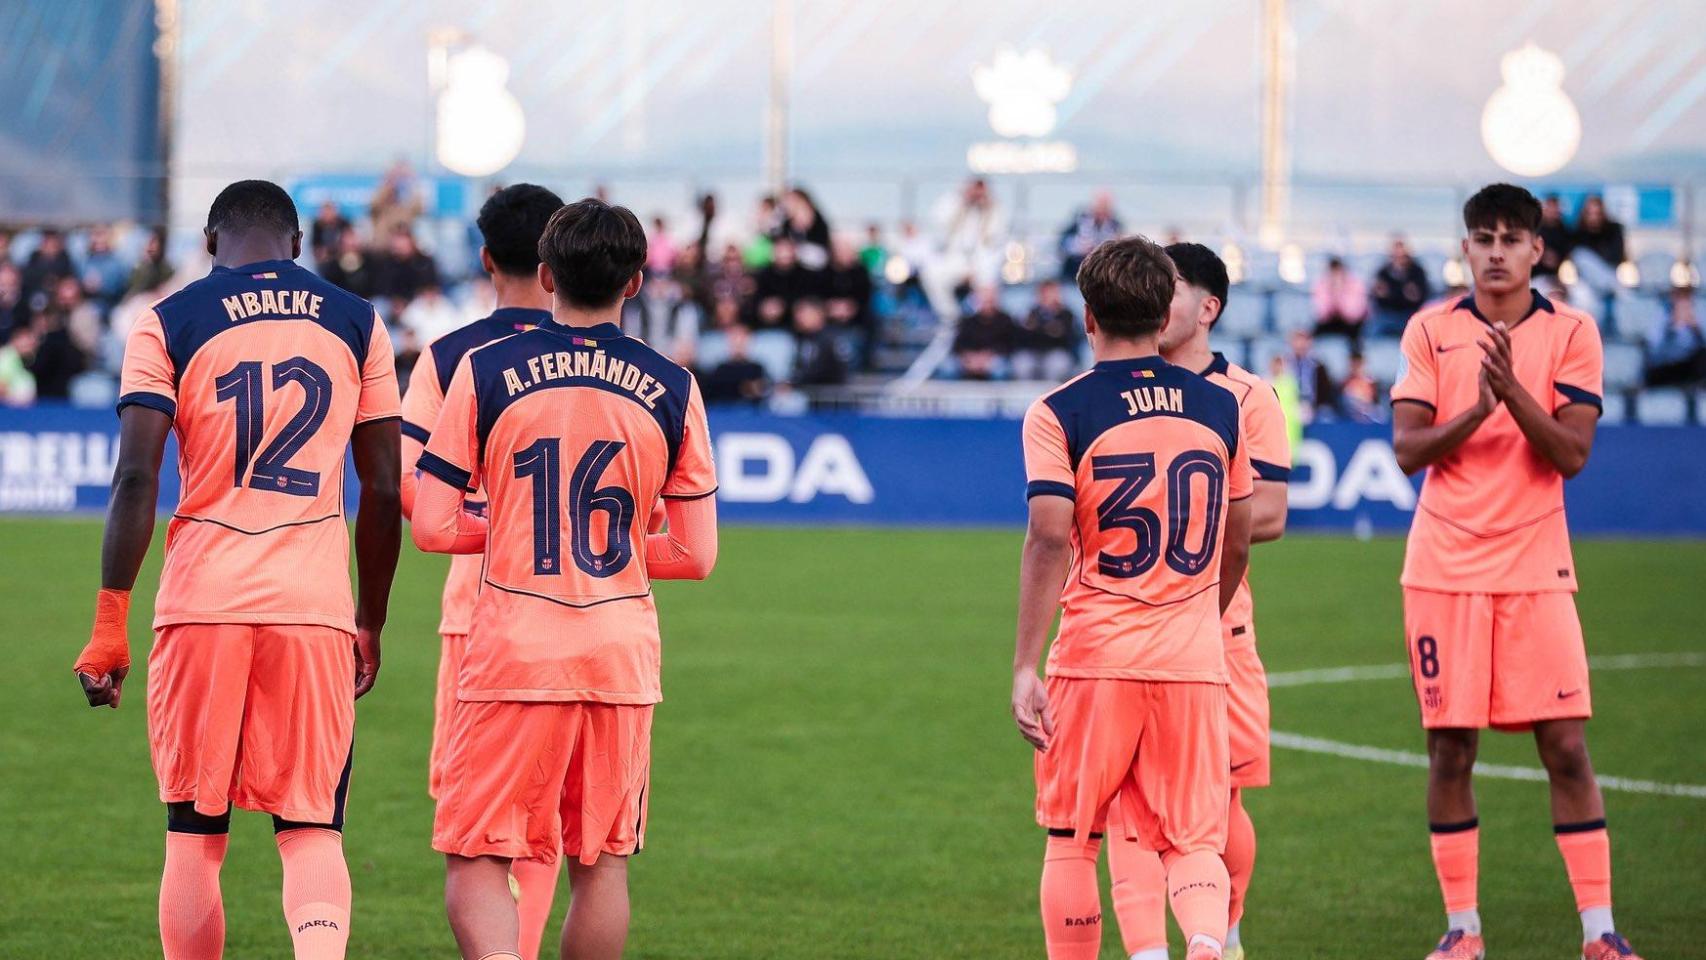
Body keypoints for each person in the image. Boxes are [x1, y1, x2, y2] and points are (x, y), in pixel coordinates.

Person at [70, 179, 402, 960]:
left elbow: (136, 478)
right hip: (313, 603)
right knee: (311, 827)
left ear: (211, 242)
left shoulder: (168, 320)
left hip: (201, 603)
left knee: (193, 833)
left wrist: (109, 625)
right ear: (295, 245)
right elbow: (385, 486)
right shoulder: (357, 321)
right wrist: (372, 620)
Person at [412, 198, 718, 960]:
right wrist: (605, 546)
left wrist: (521, 532)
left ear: (546, 276)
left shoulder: (484, 370)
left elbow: (431, 526)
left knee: (478, 855)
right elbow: (696, 555)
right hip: (618, 653)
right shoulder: (674, 386)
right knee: (601, 863)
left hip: (515, 647)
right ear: (638, 282)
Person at [1390, 183, 1643, 960]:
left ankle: (1599, 933)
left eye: (1511, 238)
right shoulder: (1431, 330)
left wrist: (1510, 395)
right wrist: (1473, 410)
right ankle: (1462, 929)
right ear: (1464, 248)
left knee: (1565, 746)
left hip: (1535, 568)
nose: (1496, 251)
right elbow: (1408, 451)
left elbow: (1569, 454)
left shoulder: (1573, 332)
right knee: (1450, 750)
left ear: (1538, 250)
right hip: (1445, 568)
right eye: (1482, 238)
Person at [1014, 235, 1253, 960]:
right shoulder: (1219, 406)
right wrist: (1200, 621)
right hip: (1191, 658)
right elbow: (1238, 540)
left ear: (1088, 316)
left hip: (1097, 656)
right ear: (1162, 312)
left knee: (1074, 837)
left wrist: (1026, 664)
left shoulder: (1060, 411)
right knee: (1192, 838)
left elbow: (1050, 538)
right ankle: (1208, 943)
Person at [1102, 243, 1288, 960]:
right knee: (1132, 803)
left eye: (1170, 288)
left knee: (1222, 800)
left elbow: (1268, 513)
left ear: (1208, 308)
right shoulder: (1115, 389)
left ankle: (1225, 935)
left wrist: (1184, 524)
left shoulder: (1247, 397)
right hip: (1130, 622)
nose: (1155, 299)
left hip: (1218, 619)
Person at [398, 182, 565, 960]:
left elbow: (410, 489)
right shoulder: (622, 363)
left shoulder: (447, 357)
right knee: (551, 821)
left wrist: (500, 529)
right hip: (589, 609)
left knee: (478, 822)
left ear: (486, 257)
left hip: (485, 612)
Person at [1012, 278, 1082, 381]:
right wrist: (1048, 330)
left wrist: (1040, 329)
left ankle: (1051, 396)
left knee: (1057, 364)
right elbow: (1023, 336)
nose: (1049, 296)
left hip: (1056, 352)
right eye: (1046, 293)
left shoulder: (1066, 314)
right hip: (1033, 352)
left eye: (1052, 292)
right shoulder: (1031, 313)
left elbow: (1067, 338)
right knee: (1022, 364)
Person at [953, 284, 1019, 380]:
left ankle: (999, 394)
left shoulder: (1006, 320)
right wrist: (970, 356)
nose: (987, 303)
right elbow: (958, 344)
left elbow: (1010, 345)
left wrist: (988, 356)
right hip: (971, 358)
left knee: (1000, 368)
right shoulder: (967, 321)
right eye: (984, 300)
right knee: (949, 367)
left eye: (990, 300)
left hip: (996, 358)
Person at [1644, 287, 1706, 387]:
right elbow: (1654, 350)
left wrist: (1696, 328)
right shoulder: (1661, 320)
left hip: (1688, 368)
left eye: (1687, 304)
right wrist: (1671, 327)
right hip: (1665, 367)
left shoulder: (1697, 322)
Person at [1370, 238, 1431, 336]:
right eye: (1396, 256)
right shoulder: (1383, 272)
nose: (1399, 260)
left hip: (1409, 314)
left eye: (1402, 257)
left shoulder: (1417, 272)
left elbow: (1423, 295)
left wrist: (1414, 296)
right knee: (1372, 330)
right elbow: (1377, 297)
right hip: (1387, 315)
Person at [1057, 190, 1123, 280]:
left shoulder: (1115, 225)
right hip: (1074, 269)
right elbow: (1062, 243)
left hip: (1101, 273)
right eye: (1101, 205)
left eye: (1106, 206)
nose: (1103, 209)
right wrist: (1079, 247)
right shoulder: (1078, 221)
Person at [701, 324, 771, 404]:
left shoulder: (757, 368)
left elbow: (765, 391)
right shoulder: (721, 369)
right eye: (734, 339)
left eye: (741, 339)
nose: (738, 343)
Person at [789, 298, 848, 387]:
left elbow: (840, 371)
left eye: (802, 313)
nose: (798, 318)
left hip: (830, 395)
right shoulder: (801, 339)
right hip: (807, 393)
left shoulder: (832, 339)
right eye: (796, 314)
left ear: (818, 314)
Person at [1284, 329, 1337, 422]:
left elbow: (1325, 391)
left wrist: (1314, 406)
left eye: (1303, 340)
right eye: (1297, 340)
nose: (1300, 344)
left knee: (1326, 415)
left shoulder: (1318, 365)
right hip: (1290, 405)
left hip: (1313, 406)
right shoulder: (1285, 364)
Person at [1311, 256, 1369, 339]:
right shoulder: (1322, 285)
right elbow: (1321, 313)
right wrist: (1332, 294)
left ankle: (1356, 351)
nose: (1336, 275)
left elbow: (1354, 313)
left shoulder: (1355, 284)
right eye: (1333, 272)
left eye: (1338, 271)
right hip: (1331, 320)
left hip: (1350, 321)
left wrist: (1340, 294)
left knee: (1354, 332)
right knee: (1315, 332)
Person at [1536, 194, 1573, 279]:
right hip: (1538, 275)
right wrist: (1543, 256)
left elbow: (1569, 254)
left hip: (1562, 276)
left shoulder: (1566, 231)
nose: (1552, 211)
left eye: (1555, 207)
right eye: (1550, 207)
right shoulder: (1533, 231)